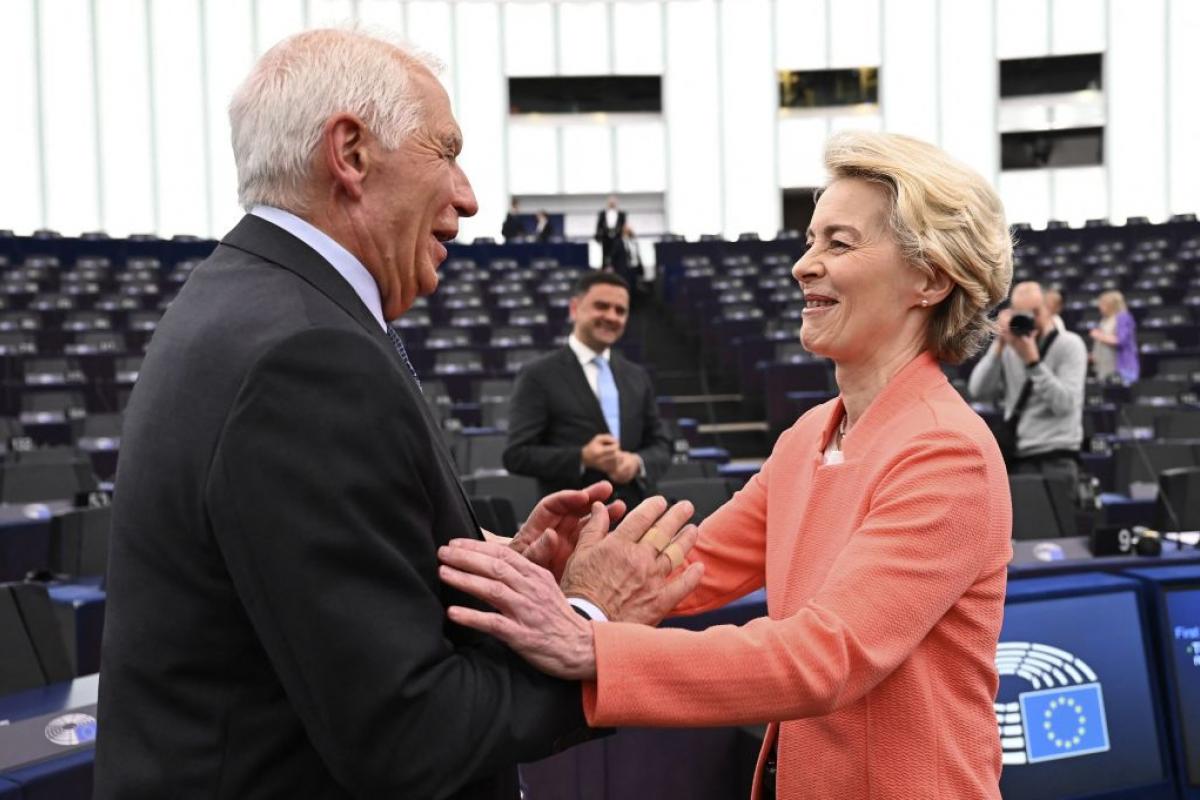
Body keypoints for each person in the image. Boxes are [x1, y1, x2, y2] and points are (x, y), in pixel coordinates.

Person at [94, 29, 700, 800]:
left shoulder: (247, 302)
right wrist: (588, 618)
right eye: (444, 151)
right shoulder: (307, 356)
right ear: (349, 153)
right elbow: (406, 734)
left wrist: (501, 579)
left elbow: (317, 603)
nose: (469, 196)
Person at [440, 131, 1016, 799]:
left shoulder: (949, 453)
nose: (803, 265)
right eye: (809, 241)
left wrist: (592, 648)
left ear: (930, 277)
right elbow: (683, 567)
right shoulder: (807, 437)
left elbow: (825, 657)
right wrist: (534, 560)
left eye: (838, 242)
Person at [503, 271, 671, 509]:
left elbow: (662, 444)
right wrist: (582, 457)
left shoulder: (637, 375)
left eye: (620, 310)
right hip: (573, 522)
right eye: (601, 306)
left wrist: (636, 462)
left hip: (636, 515)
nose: (612, 316)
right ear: (575, 309)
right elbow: (516, 455)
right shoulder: (538, 375)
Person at [969, 281, 1088, 482]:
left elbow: (1065, 404)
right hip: (1018, 456)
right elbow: (978, 390)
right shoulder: (1010, 348)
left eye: (1035, 311)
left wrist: (1033, 362)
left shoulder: (1070, 345)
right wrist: (998, 345)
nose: (1030, 319)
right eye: (1023, 313)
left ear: (1048, 308)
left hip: (1056, 457)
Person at [1089, 289, 1139, 384]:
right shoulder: (1105, 320)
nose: (1099, 307)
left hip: (1122, 369)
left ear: (1111, 305)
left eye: (1102, 304)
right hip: (1104, 369)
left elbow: (1121, 341)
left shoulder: (1123, 317)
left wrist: (1099, 336)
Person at [594, 195, 626, 267]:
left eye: (613, 202)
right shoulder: (602, 214)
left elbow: (623, 226)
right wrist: (598, 237)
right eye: (610, 202)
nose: (612, 204)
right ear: (608, 203)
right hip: (605, 239)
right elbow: (598, 226)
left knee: (617, 256)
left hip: (617, 239)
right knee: (605, 257)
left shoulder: (622, 214)